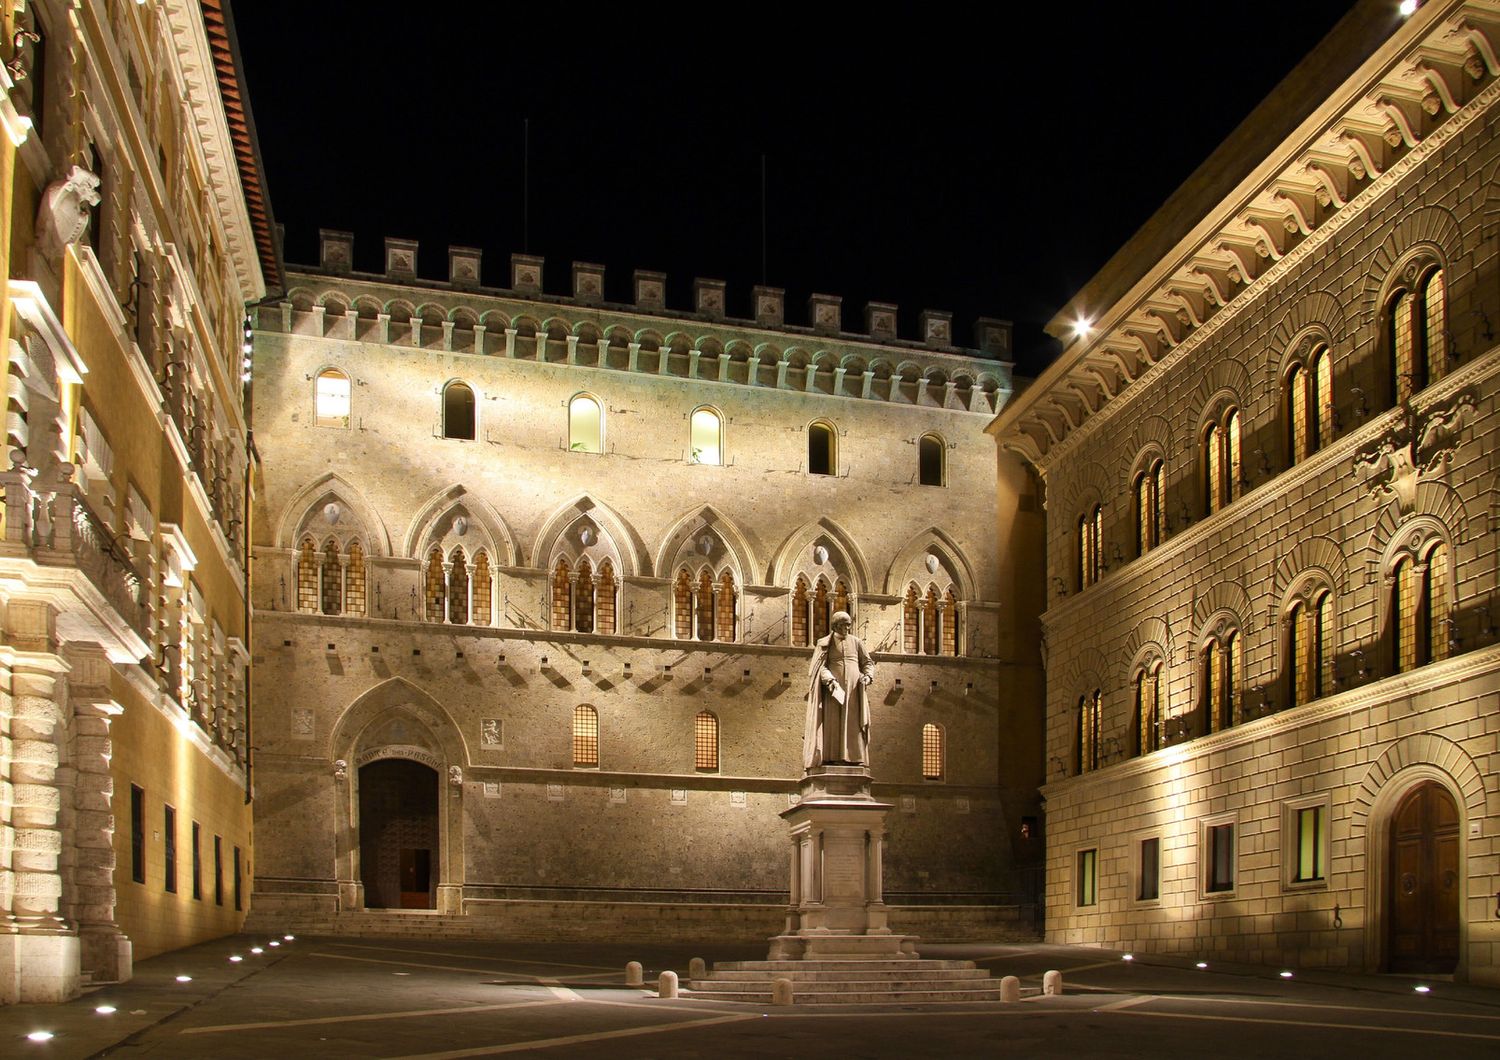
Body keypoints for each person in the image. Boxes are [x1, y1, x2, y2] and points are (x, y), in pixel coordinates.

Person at [804, 611, 875, 769]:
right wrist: (829, 679)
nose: (847, 628)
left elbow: (867, 662)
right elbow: (818, 667)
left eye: (849, 624)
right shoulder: (824, 643)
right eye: (844, 624)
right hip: (833, 692)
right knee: (833, 723)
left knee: (853, 723)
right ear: (835, 626)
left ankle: (855, 757)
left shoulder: (856, 642)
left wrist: (868, 676)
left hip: (854, 691)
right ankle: (831, 757)